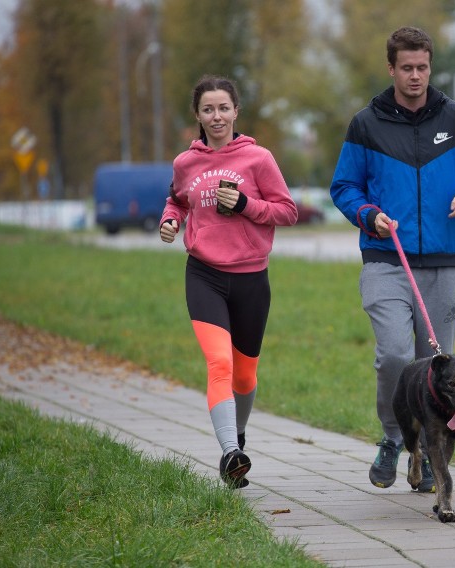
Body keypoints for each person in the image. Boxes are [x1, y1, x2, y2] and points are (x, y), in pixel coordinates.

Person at [329, 26, 455, 492]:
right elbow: (344, 187)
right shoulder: (366, 124)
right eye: (406, 68)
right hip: (387, 260)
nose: (415, 76)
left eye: (422, 67)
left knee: (438, 370)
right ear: (391, 69)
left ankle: (429, 456)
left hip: (443, 263)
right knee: (394, 355)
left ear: (431, 66)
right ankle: (393, 438)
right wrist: (368, 215)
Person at [160, 74, 298, 488]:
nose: (216, 116)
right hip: (204, 275)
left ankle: (236, 436)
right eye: (208, 109)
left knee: (244, 377)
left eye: (223, 108)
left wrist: (245, 205)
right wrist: (171, 220)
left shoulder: (258, 159)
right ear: (197, 116)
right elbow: (177, 199)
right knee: (218, 363)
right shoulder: (185, 163)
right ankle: (229, 454)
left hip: (252, 279)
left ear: (236, 111)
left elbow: (287, 211)